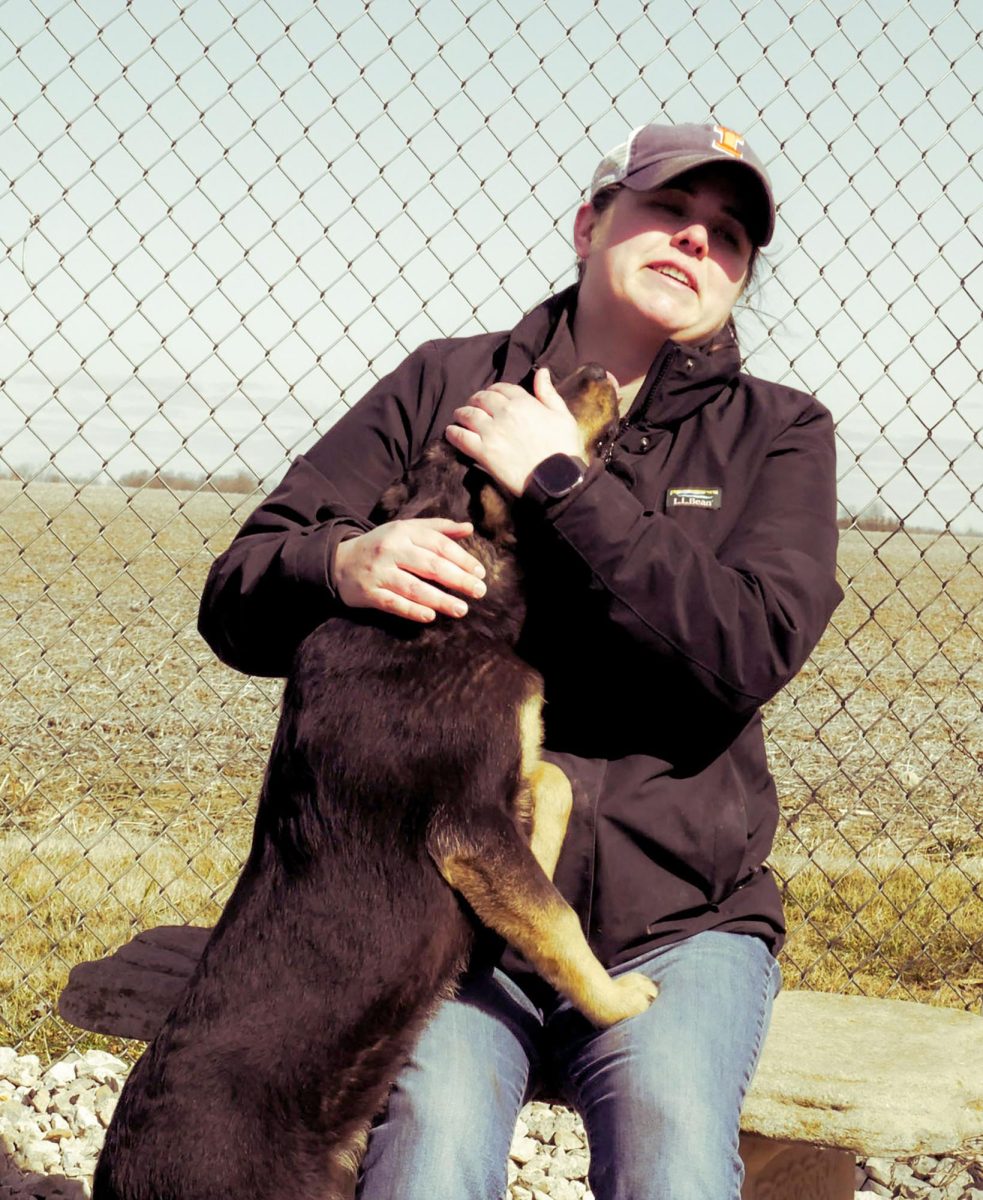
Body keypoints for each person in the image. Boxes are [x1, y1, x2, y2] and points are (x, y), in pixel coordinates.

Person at [198, 121, 842, 1200]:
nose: (694, 241)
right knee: (430, 1148)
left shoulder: (776, 431)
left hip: (671, 926)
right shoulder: (442, 384)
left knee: (673, 1142)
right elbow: (235, 594)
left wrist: (564, 487)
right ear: (590, 224)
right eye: (666, 211)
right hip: (437, 924)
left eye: (726, 235)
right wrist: (338, 562)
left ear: (738, 276)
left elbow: (748, 646)